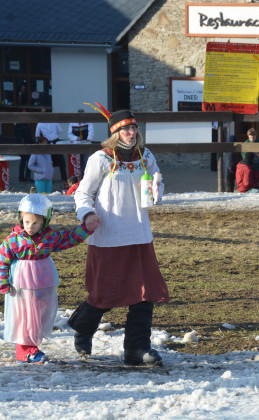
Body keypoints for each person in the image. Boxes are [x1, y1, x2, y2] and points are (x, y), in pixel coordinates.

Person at [67, 108, 169, 367]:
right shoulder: (100, 159)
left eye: (134, 128)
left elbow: (157, 181)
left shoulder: (145, 156)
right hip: (108, 235)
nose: (131, 133)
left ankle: (137, 348)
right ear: (114, 133)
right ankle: (82, 328)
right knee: (104, 293)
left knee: (145, 292)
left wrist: (158, 188)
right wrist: (87, 214)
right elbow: (83, 193)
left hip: (139, 233)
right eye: (125, 129)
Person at [0, 194, 96, 363]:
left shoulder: (49, 237)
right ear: (21, 219)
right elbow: (2, 260)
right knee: (25, 315)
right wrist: (2, 281)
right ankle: (25, 350)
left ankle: (31, 346)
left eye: (35, 223)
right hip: (22, 282)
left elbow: (69, 238)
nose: (30, 227)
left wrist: (86, 228)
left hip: (43, 280)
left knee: (40, 314)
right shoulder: (14, 239)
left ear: (44, 222)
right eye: (26, 222)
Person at [35, 111, 68, 190]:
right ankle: (64, 180)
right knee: (61, 163)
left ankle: (48, 179)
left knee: (48, 162)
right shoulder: (54, 121)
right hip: (56, 141)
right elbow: (60, 130)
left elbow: (37, 135)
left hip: (47, 143)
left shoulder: (40, 123)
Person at [68, 109, 95, 176]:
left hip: (86, 145)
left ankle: (85, 178)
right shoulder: (72, 122)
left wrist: (88, 139)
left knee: (86, 162)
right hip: (76, 146)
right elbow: (69, 134)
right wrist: (76, 138)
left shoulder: (88, 121)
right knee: (77, 164)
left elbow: (91, 131)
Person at [15, 112, 33, 182]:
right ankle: (27, 176)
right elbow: (28, 138)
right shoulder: (25, 127)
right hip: (27, 146)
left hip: (20, 146)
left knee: (22, 162)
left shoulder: (17, 127)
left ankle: (21, 177)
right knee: (29, 161)